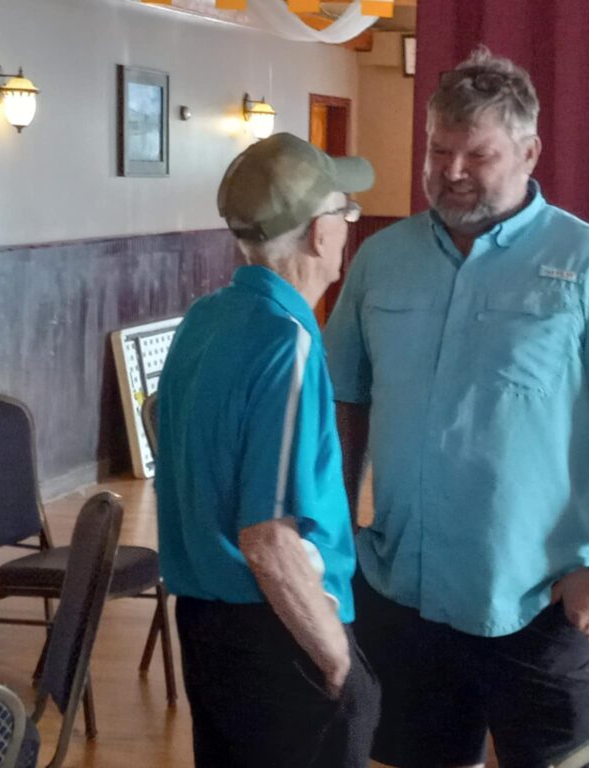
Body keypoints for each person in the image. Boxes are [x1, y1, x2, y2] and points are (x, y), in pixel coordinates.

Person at [323, 47, 589, 768]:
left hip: (540, 599)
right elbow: (346, 399)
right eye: (438, 151)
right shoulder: (381, 259)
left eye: (478, 154)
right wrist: (339, 533)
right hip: (401, 591)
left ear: (529, 153)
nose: (452, 171)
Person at [155, 132, 380, 768]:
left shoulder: (205, 319)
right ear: (320, 233)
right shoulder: (288, 344)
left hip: (206, 625)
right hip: (277, 630)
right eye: (346, 212)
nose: (347, 229)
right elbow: (268, 540)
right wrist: (338, 662)